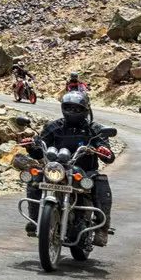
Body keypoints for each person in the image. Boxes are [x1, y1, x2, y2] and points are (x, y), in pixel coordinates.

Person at [23, 87, 115, 243]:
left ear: (85, 109)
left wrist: (103, 150)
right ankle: (35, 220)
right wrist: (31, 146)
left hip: (85, 172)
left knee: (101, 182)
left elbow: (108, 155)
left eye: (77, 108)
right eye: (68, 107)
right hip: (57, 169)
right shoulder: (53, 127)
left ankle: (102, 229)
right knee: (35, 177)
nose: (72, 111)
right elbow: (40, 150)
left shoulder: (95, 130)